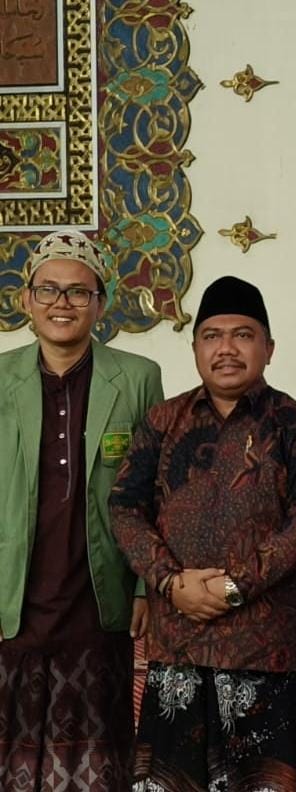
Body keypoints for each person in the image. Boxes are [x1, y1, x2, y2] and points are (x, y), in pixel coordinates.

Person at [110, 276, 296, 791]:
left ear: (269, 348)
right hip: (179, 651)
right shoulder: (163, 421)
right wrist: (170, 583)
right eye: (212, 335)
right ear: (194, 348)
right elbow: (124, 507)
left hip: (266, 654)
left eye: (242, 334)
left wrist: (233, 586)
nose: (227, 349)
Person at [0, 230, 163, 791]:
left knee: (96, 757)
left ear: (100, 303)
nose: (61, 304)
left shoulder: (138, 379)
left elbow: (153, 493)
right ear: (26, 300)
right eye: (48, 290)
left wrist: (145, 588)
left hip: (99, 594)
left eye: (77, 292)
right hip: (12, 594)